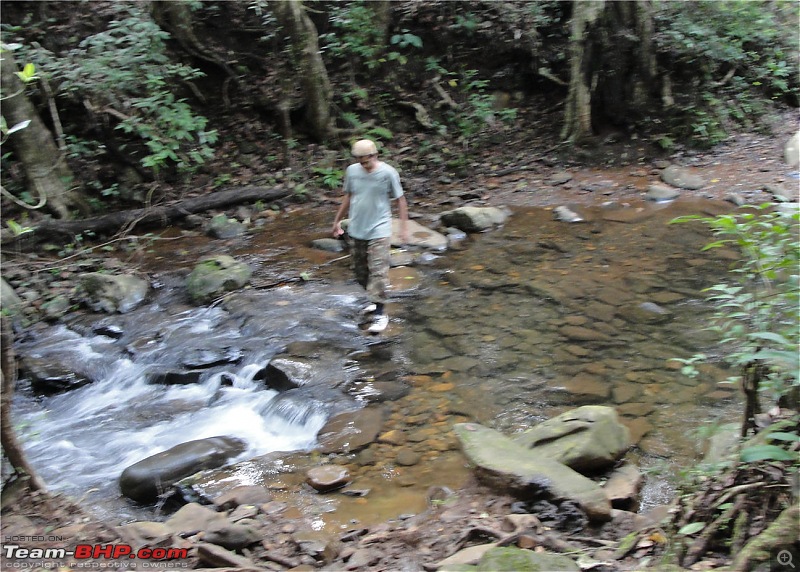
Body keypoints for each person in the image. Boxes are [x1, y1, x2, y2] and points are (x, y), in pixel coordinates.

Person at [332, 139, 409, 333]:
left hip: (380, 229)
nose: (363, 165)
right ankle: (375, 302)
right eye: (359, 161)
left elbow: (400, 199)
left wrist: (404, 227)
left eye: (366, 161)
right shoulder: (352, 171)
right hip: (358, 227)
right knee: (360, 271)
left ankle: (380, 314)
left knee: (378, 271)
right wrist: (337, 221)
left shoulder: (388, 173)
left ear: (375, 156)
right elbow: (348, 196)